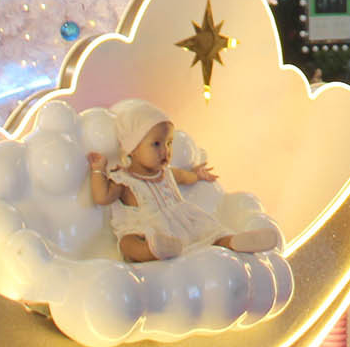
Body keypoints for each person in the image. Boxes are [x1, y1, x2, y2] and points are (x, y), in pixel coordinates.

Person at [86, 100, 278, 261]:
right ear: (132, 148)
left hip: (182, 223)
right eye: (156, 144)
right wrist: (97, 170)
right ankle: (153, 251)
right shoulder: (123, 181)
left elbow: (186, 177)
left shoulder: (168, 173)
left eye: (169, 143)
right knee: (127, 243)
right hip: (146, 229)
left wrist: (198, 174)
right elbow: (102, 197)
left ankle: (233, 242)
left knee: (209, 233)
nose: (166, 151)